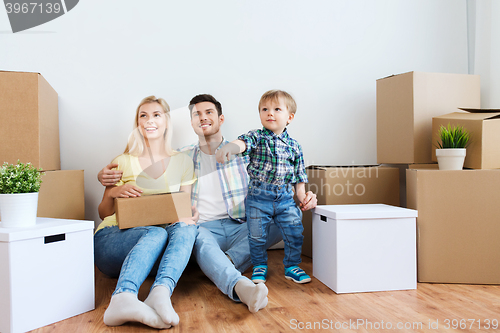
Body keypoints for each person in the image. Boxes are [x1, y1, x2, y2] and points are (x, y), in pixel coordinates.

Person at [98, 94, 317, 313]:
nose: (203, 118)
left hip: (241, 225)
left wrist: (304, 196)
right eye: (196, 114)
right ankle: (237, 283)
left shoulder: (249, 154)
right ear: (191, 122)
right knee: (191, 232)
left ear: (221, 119)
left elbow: (279, 182)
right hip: (203, 229)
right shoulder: (180, 157)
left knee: (287, 217)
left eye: (209, 112)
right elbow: (147, 174)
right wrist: (106, 179)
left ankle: (224, 262)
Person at [94, 96, 198, 329]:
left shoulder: (183, 162)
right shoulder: (122, 161)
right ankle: (123, 297)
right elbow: (103, 213)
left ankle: (160, 293)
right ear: (138, 123)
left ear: (167, 122)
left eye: (156, 115)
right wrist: (114, 192)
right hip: (113, 240)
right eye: (144, 115)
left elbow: (183, 209)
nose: (149, 120)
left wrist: (190, 216)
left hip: (154, 251)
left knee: (187, 226)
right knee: (155, 233)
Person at [216, 90, 313, 285]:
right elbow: (243, 143)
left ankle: (292, 266)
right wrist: (230, 148)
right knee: (257, 235)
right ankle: (259, 264)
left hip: (285, 198)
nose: (270, 113)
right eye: (265, 109)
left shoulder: (295, 146)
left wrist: (302, 196)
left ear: (289, 117)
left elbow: (299, 176)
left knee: (294, 231)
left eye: (277, 109)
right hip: (259, 198)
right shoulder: (257, 137)